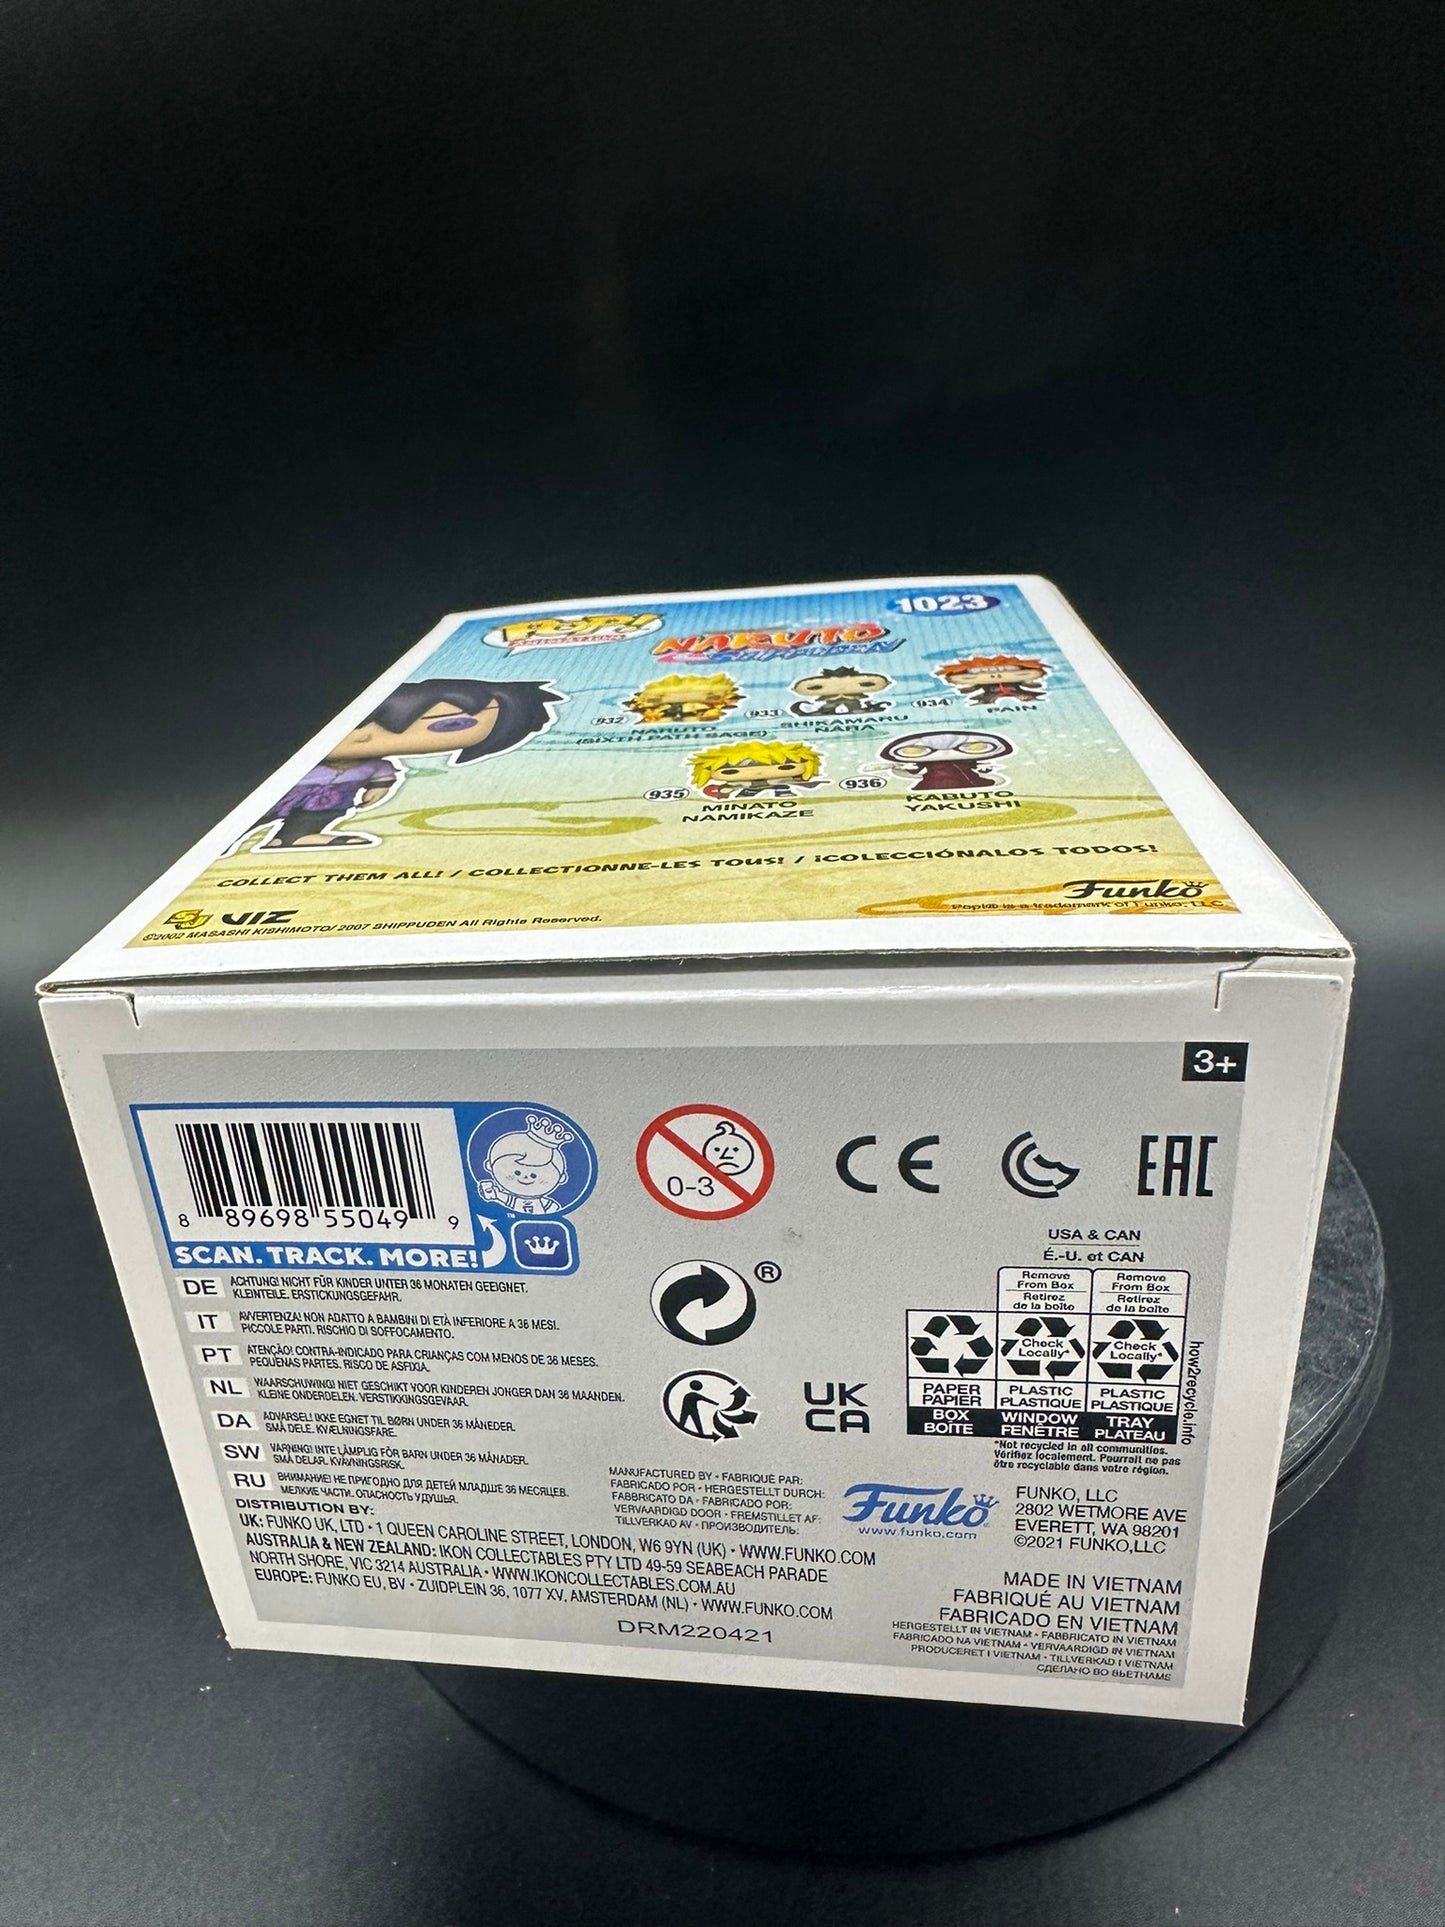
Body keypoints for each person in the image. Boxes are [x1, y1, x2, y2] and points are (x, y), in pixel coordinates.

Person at [230, 676, 563, 850]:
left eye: (451, 725)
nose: (364, 737)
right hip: (284, 794)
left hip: (333, 800)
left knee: (317, 817)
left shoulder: (375, 766)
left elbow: (381, 777)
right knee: (251, 815)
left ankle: (296, 837)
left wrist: (376, 789)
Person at [878, 729, 1013, 791]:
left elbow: (980, 769)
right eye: (915, 751)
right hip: (933, 783)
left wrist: (988, 772)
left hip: (968, 781)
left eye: (975, 747)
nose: (945, 753)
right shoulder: (925, 763)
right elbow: (910, 772)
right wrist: (895, 768)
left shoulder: (965, 762)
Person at [788, 666, 892, 716]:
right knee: (828, 708)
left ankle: (857, 710)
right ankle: (824, 711)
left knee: (854, 707)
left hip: (852, 700)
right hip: (831, 701)